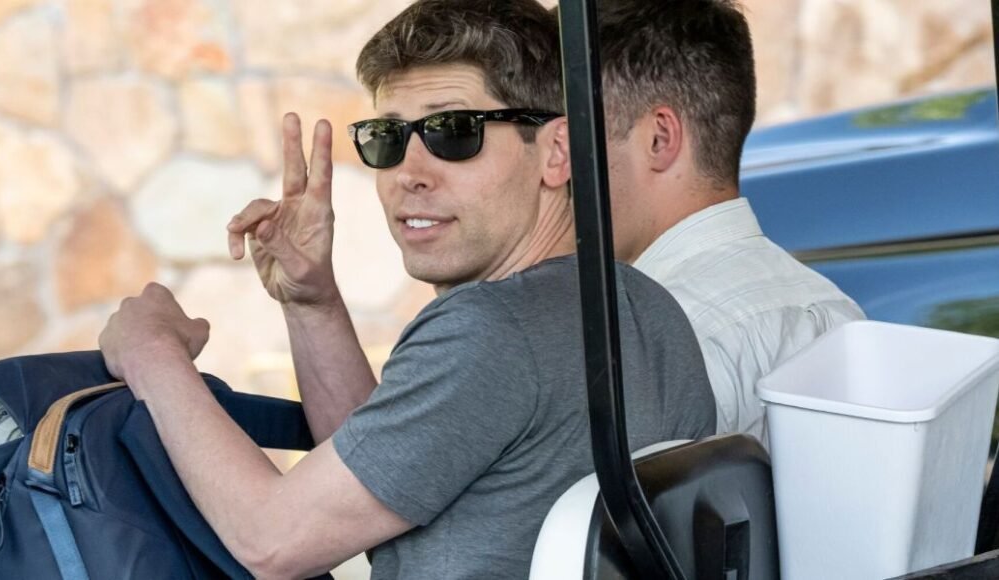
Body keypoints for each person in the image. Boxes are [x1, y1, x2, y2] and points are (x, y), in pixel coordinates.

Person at [98, 1, 715, 578]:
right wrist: (312, 301)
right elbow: (380, 486)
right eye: (387, 139)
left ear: (556, 151)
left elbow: (273, 541)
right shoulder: (644, 305)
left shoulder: (488, 331)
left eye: (455, 132)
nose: (408, 175)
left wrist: (154, 354)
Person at [593, 0, 866, 441]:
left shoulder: (657, 346)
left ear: (659, 138)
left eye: (573, 137)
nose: (556, 166)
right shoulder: (838, 313)